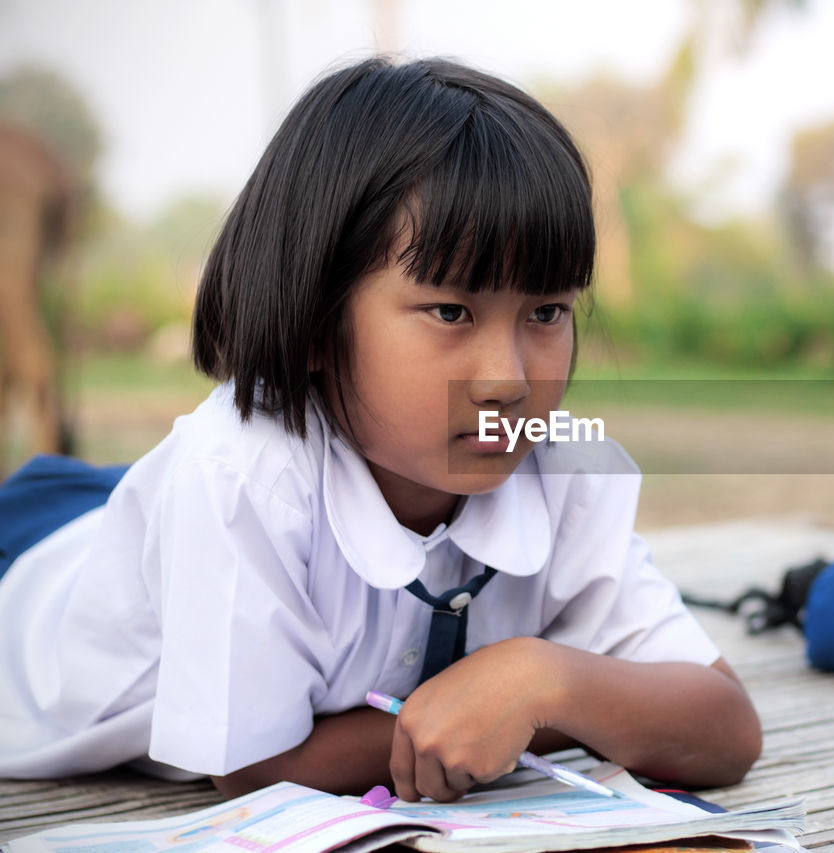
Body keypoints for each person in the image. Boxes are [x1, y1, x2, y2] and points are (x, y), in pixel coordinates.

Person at [0, 57, 762, 803]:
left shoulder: (561, 471)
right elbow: (254, 768)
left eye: (547, 312)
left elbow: (726, 724)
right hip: (30, 553)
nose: (507, 377)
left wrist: (543, 679)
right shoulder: (241, 476)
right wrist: (544, 715)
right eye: (451, 312)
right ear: (315, 321)